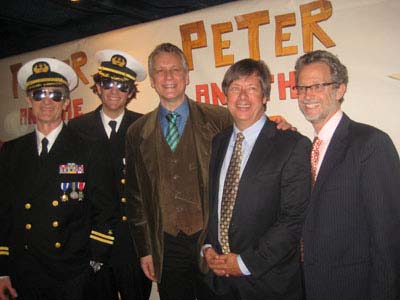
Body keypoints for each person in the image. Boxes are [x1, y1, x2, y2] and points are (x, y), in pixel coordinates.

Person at [125, 42, 292, 300]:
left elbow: (254, 131)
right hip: (166, 245)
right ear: (152, 80)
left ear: (187, 75)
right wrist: (145, 250)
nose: (168, 77)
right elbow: (135, 197)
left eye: (175, 69)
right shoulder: (137, 132)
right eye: (160, 71)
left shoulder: (219, 118)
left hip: (213, 243)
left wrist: (279, 125)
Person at [0, 58, 118, 300]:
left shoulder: (88, 148)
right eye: (39, 93)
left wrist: (94, 262)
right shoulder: (12, 151)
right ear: (28, 99)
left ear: (65, 102)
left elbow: (105, 209)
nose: (46, 101)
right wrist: (2, 269)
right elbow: (4, 213)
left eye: (55, 95)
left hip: (73, 273)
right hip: (26, 271)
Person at [294, 50, 400, 300]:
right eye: (302, 87)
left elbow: (388, 239)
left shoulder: (371, 144)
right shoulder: (306, 149)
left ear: (340, 90)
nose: (308, 95)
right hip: (310, 287)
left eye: (318, 86)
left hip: (354, 288)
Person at [202, 58, 311, 300]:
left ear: (265, 96)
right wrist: (208, 246)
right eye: (235, 89)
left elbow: (293, 220)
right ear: (225, 96)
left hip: (268, 283)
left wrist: (243, 263)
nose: (242, 97)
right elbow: (217, 204)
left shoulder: (292, 144)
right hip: (219, 283)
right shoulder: (218, 142)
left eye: (252, 89)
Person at [69, 49, 152, 300]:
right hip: (93, 242)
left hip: (133, 243)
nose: (114, 91)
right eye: (107, 83)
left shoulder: (144, 126)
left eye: (122, 85)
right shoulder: (77, 127)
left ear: (130, 91)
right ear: (97, 86)